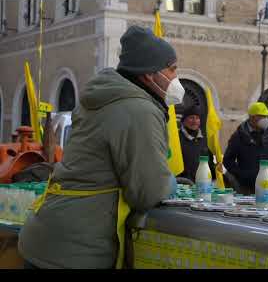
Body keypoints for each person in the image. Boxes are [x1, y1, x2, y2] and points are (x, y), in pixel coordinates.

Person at [18, 26, 181, 269]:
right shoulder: (138, 110)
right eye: (172, 68)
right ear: (149, 74)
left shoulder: (103, 97)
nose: (176, 76)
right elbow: (149, 192)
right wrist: (172, 182)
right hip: (76, 251)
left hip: (46, 237)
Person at [224, 102, 268, 196]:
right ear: (253, 117)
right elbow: (227, 160)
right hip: (247, 187)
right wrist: (241, 175)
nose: (266, 119)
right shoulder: (239, 136)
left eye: (266, 116)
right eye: (262, 116)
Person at [178, 105, 215, 182]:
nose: (195, 121)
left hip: (202, 183)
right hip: (183, 184)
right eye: (191, 117)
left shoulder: (204, 139)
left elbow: (210, 162)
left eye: (197, 118)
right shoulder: (177, 139)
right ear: (184, 121)